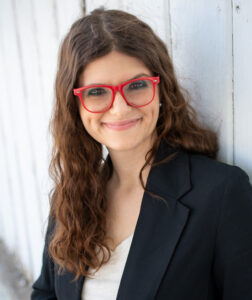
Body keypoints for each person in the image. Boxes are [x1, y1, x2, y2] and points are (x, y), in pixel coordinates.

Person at [31, 7, 252, 300]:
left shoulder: (221, 193)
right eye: (97, 92)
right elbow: (45, 294)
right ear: (76, 106)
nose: (120, 108)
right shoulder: (70, 196)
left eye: (136, 86)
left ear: (161, 90)